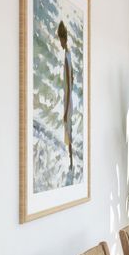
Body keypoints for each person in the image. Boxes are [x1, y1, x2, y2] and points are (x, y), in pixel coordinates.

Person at [57, 20, 74, 170]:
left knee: (68, 129)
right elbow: (72, 79)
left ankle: (71, 160)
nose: (60, 43)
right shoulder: (68, 55)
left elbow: (69, 81)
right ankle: (71, 159)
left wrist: (66, 109)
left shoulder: (66, 58)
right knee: (69, 129)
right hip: (69, 98)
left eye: (60, 39)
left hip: (68, 100)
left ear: (63, 38)